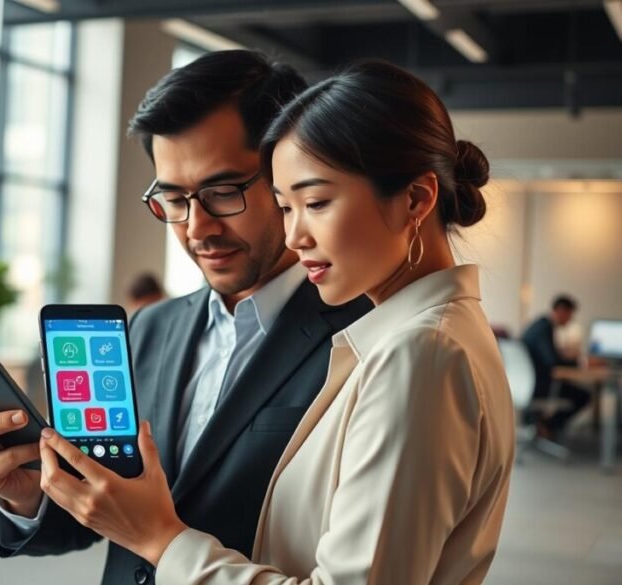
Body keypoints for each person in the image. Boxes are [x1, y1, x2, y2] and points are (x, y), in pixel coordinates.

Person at [36, 60, 516, 584]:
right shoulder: (407, 337)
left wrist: (162, 541)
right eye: (287, 207)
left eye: (315, 202)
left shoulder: (419, 351)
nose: (295, 236)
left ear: (416, 199)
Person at [0, 50, 370, 584]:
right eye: (173, 198)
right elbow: (109, 512)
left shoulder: (362, 342)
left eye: (221, 192)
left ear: (287, 178)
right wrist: (25, 497)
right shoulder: (149, 328)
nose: (197, 227)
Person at [521, 295, 590, 439]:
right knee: (584, 395)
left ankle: (541, 425)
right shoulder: (544, 328)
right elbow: (553, 362)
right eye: (570, 315)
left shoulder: (539, 325)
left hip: (527, 384)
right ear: (562, 311)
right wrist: (583, 362)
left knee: (572, 388)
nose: (570, 320)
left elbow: (548, 356)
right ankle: (548, 426)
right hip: (539, 386)